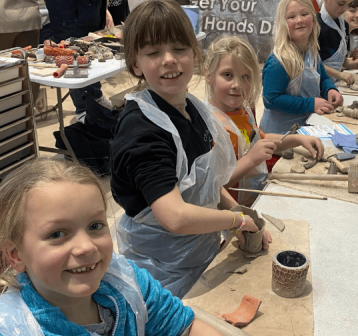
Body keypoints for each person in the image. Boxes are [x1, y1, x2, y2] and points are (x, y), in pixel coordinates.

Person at [110, 0, 271, 298]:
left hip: (198, 253)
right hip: (162, 268)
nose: (169, 60)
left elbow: (205, 183)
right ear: (136, 64)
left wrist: (237, 212)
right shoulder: (142, 131)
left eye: (179, 49)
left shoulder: (192, 109)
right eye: (153, 52)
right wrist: (234, 220)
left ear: (195, 55)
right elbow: (176, 217)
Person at [0, 158, 222, 335]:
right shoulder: (15, 327)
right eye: (57, 234)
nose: (86, 247)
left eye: (95, 225)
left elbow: (186, 327)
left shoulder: (125, 281)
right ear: (15, 255)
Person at [204, 36, 325, 205]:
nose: (237, 85)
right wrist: (250, 160)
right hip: (229, 215)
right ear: (208, 75)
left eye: (245, 77)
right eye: (227, 75)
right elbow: (211, 188)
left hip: (253, 199)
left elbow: (259, 139)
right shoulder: (208, 126)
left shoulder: (242, 110)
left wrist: (298, 139)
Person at [260, 0, 343, 134]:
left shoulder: (311, 51)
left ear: (314, 20)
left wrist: (330, 89)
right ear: (283, 24)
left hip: (304, 127)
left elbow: (323, 78)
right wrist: (310, 104)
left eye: (304, 14)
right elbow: (271, 100)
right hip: (279, 137)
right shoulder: (279, 60)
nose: (299, 20)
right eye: (291, 17)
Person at [44, 0, 114, 123]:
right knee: (72, 54)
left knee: (91, 51)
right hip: (67, 13)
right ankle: (82, 108)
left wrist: (105, 9)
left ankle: (96, 96)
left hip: (92, 9)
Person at [317, 0, 358, 85]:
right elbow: (312, 64)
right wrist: (339, 74)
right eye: (341, 4)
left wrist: (350, 64)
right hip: (318, 84)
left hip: (334, 82)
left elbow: (336, 58)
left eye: (348, 5)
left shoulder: (343, 24)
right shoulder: (316, 26)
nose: (344, 9)